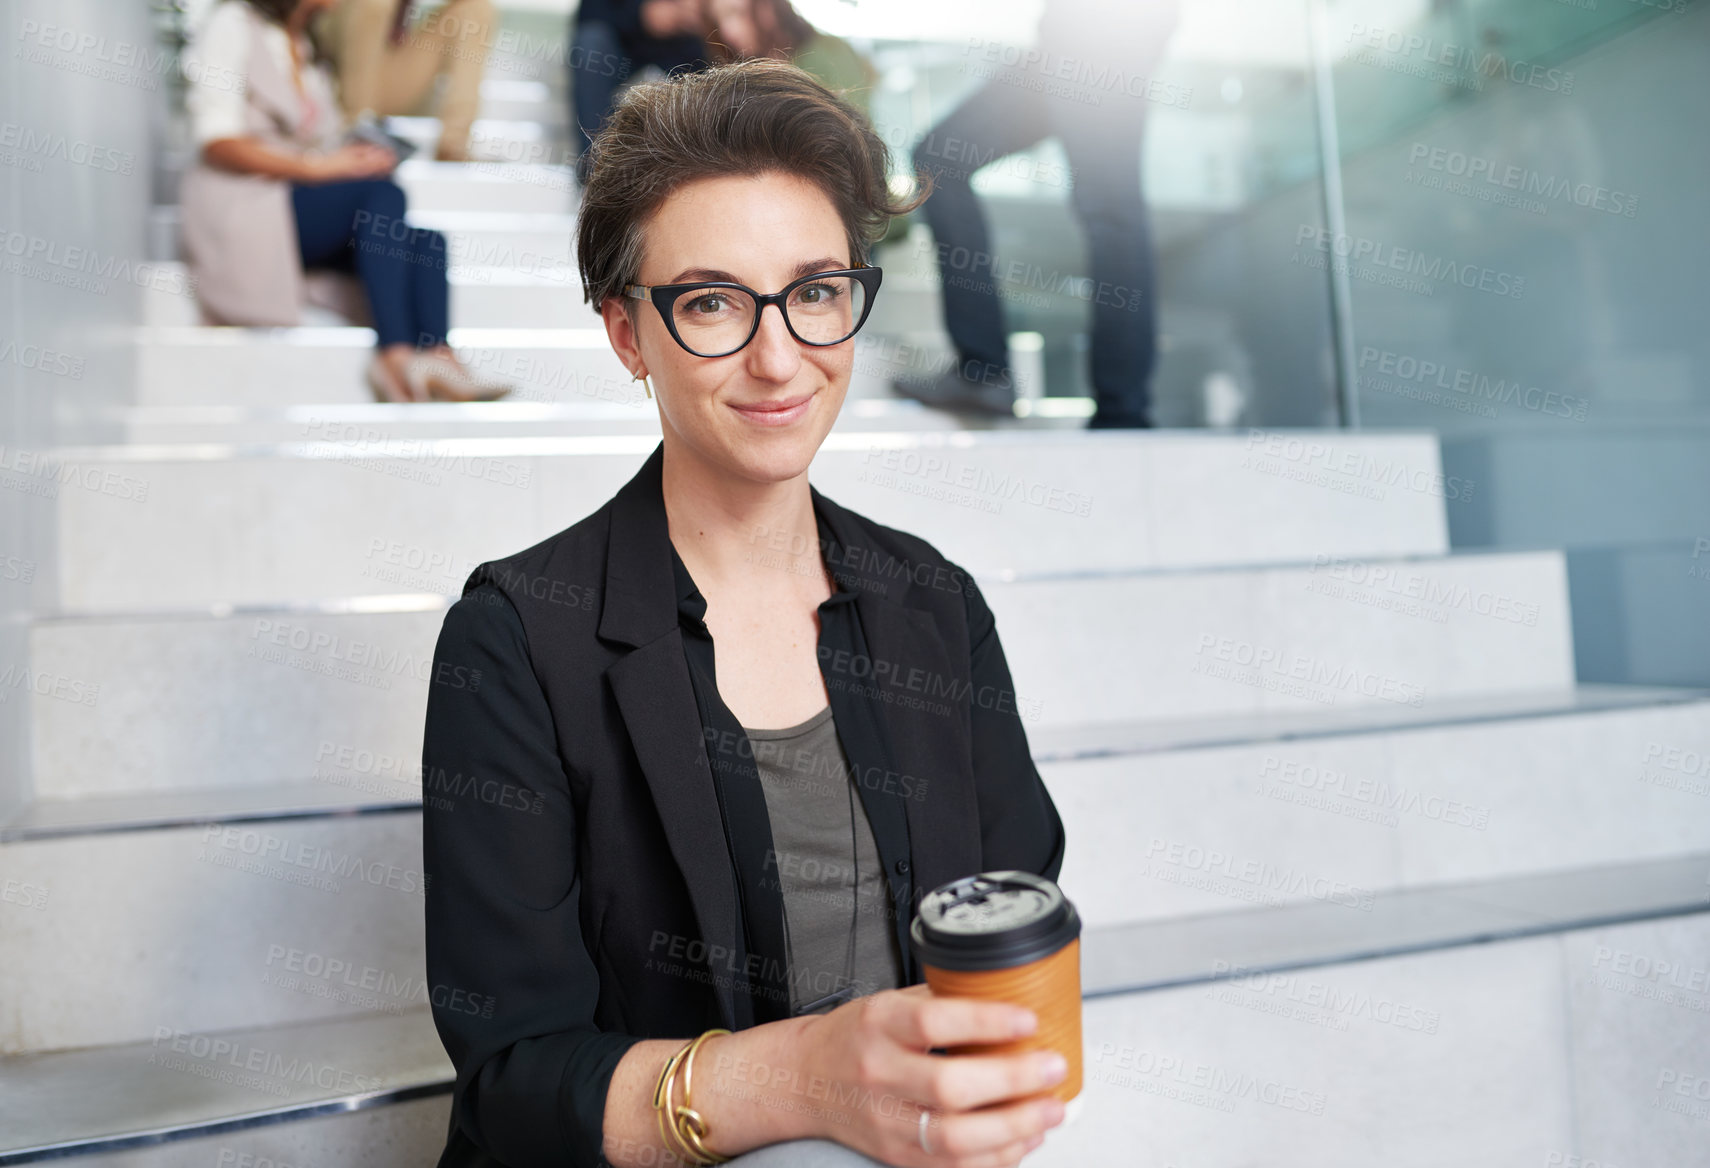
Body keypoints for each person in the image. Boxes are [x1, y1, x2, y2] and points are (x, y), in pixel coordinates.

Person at [422, 58, 1069, 1168]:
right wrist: (811, 1076)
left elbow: (1011, 925)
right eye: (712, 302)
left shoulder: (935, 608)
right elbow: (519, 1081)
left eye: (816, 291)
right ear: (628, 333)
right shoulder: (518, 638)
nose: (780, 358)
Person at [180, 0, 510, 401]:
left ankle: (439, 358)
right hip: (250, 202)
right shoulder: (232, 24)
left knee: (427, 241)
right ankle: (394, 355)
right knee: (380, 195)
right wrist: (319, 168)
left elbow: (324, 139)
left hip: (299, 196)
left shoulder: (309, 45)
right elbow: (217, 141)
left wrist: (357, 157)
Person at [894, 0, 1180, 429]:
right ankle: (984, 371)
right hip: (1066, 36)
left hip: (1111, 31)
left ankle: (1123, 409)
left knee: (1111, 210)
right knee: (941, 157)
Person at [315, 0, 497, 162]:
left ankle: (453, 146)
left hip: (390, 70)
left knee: (475, 6)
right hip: (340, 77)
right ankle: (359, 133)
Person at [568, 0, 715, 186]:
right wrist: (641, 14)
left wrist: (703, 16)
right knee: (590, 42)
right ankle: (596, 171)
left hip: (689, 54)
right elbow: (591, 14)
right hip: (623, 46)